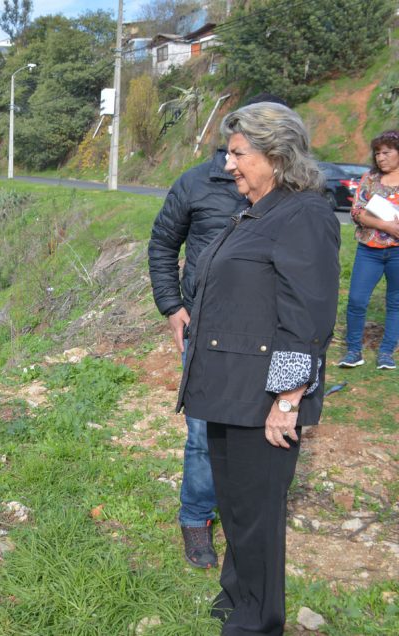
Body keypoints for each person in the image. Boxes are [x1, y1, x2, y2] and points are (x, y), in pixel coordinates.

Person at [178, 103, 339, 634]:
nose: (228, 165)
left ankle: (257, 622)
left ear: (276, 155)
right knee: (238, 510)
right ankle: (236, 598)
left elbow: (307, 317)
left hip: (262, 400)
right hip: (230, 391)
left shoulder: (306, 214)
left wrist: (287, 401)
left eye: (239, 154)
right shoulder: (261, 211)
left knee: (256, 521)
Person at [148, 129, 249, 570]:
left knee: (253, 430)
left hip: (264, 332)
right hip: (204, 326)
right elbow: (163, 245)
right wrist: (172, 307)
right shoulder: (195, 183)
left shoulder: (292, 190)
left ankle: (246, 517)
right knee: (203, 435)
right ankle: (195, 518)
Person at [337, 130, 399, 371]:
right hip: (369, 251)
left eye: (387, 152)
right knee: (356, 300)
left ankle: (386, 353)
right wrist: (386, 226)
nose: (381, 158)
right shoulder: (370, 179)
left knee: (395, 303)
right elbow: (356, 212)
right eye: (377, 153)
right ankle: (354, 351)